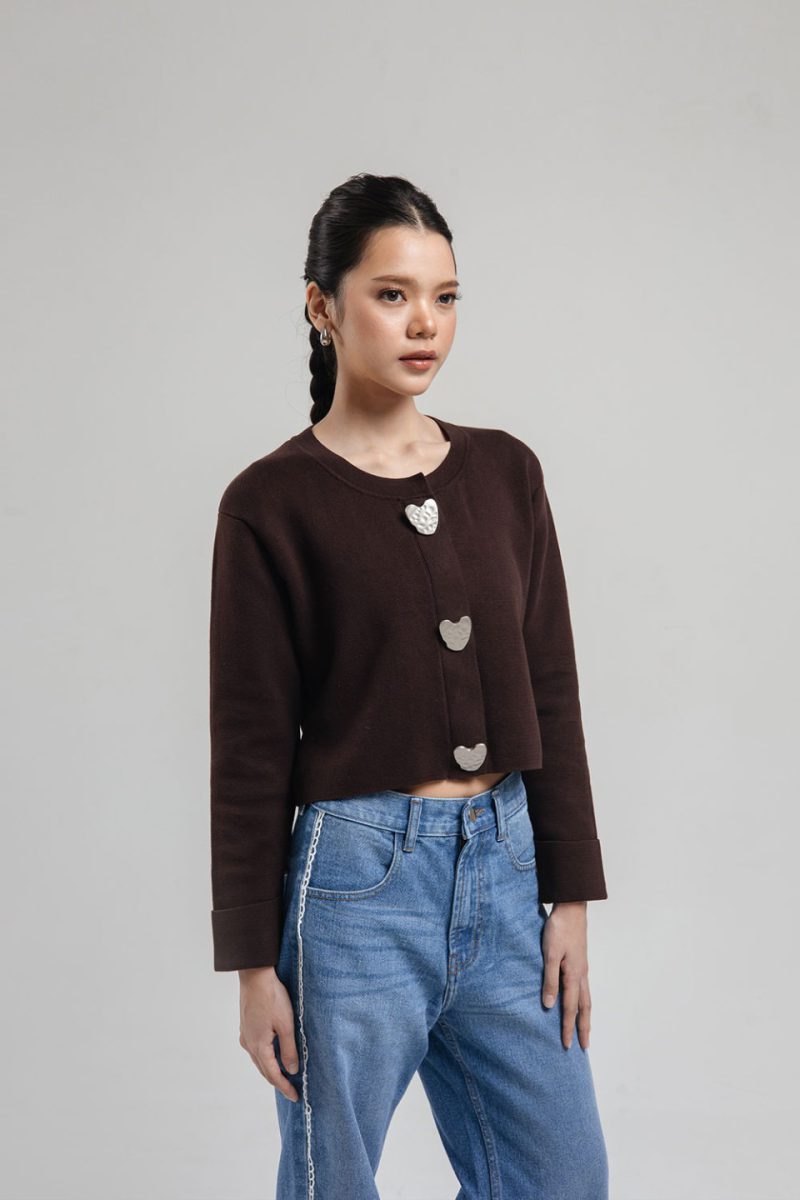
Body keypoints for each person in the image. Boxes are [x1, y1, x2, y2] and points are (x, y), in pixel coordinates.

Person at [209, 172, 610, 1199]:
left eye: (444, 296)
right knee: (333, 1183)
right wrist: (254, 966)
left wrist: (567, 896)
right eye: (391, 294)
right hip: (354, 895)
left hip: (507, 873)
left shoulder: (505, 473)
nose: (424, 323)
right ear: (321, 306)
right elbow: (250, 748)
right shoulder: (270, 503)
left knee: (562, 1180)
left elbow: (551, 690)